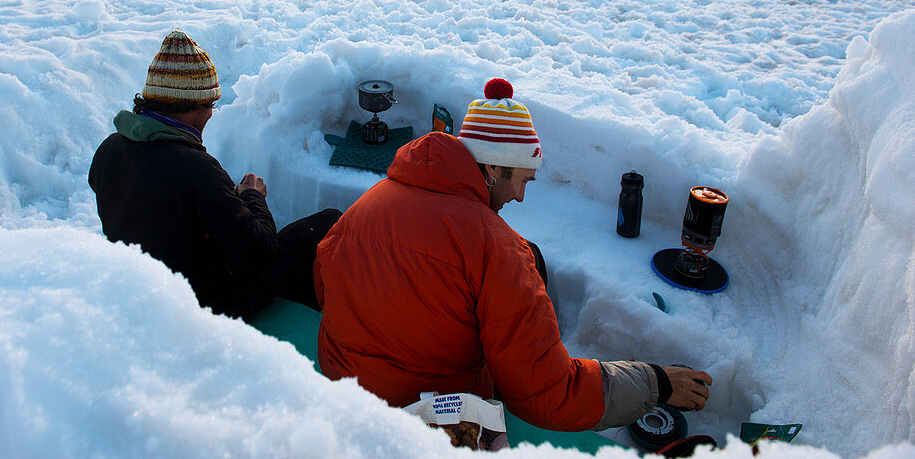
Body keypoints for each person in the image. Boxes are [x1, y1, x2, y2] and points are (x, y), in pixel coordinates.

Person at [314, 78, 711, 432]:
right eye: (522, 179)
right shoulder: (498, 250)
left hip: (342, 390)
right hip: (426, 416)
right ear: (491, 168)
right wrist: (656, 382)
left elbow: (326, 284)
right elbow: (549, 394)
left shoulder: (368, 204)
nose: (520, 195)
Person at [89, 30, 340, 321]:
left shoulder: (109, 149)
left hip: (145, 292)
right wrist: (252, 198)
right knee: (325, 224)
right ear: (195, 107)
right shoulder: (194, 168)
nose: (211, 114)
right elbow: (260, 254)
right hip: (209, 306)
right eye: (210, 105)